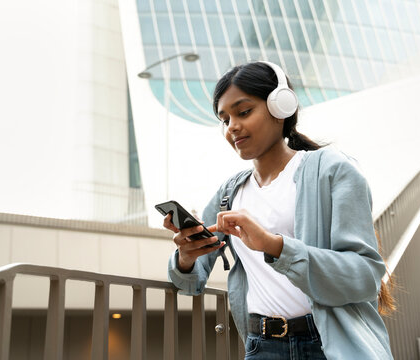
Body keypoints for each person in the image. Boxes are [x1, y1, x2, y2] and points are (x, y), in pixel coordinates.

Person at [164, 61, 394, 359]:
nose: (232, 126)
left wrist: (275, 246)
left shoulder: (332, 170)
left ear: (280, 107)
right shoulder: (229, 193)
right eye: (224, 119)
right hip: (262, 347)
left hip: (329, 346)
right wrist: (185, 257)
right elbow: (191, 283)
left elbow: (365, 278)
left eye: (243, 112)